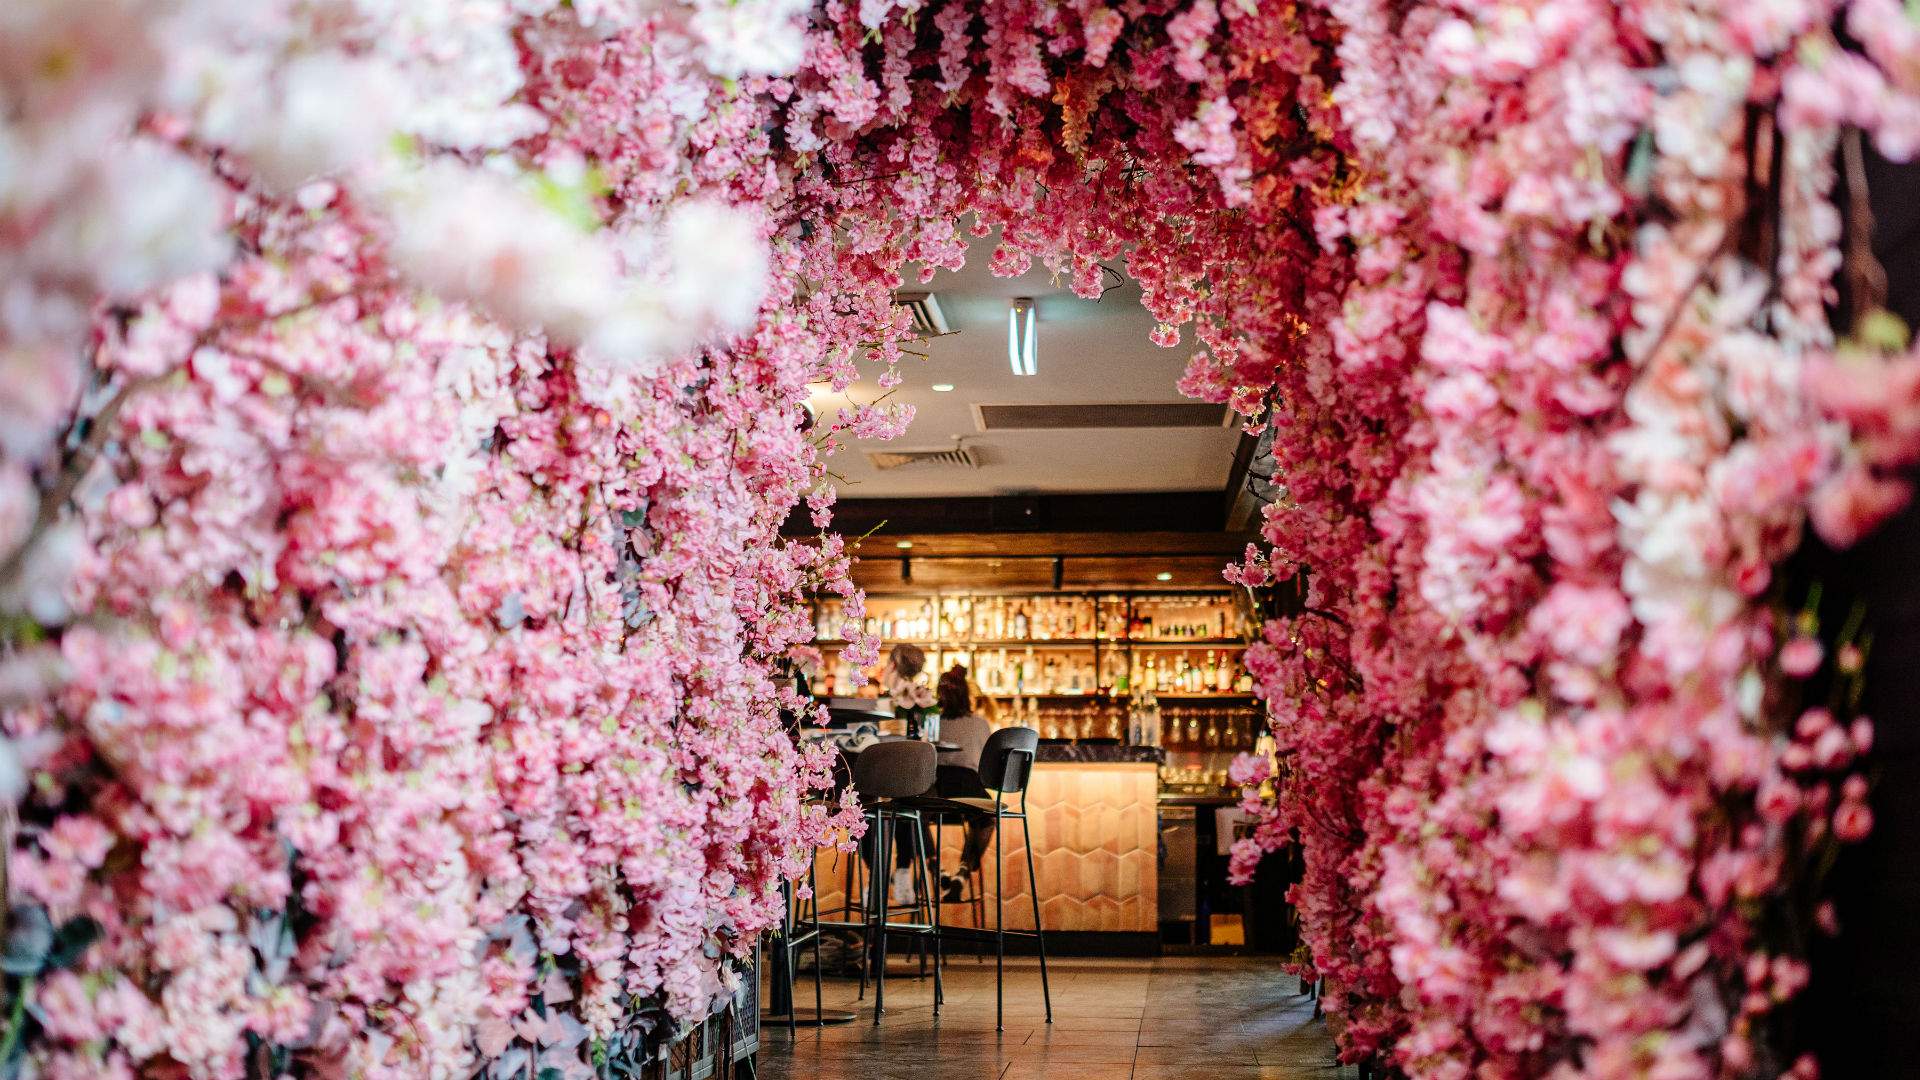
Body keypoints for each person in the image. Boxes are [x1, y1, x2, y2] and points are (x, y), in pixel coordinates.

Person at [928, 665, 996, 902]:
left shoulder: (932, 722)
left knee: (912, 817)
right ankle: (963, 872)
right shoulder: (980, 724)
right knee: (987, 820)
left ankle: (936, 868)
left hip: (936, 792)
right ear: (967, 694)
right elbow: (988, 767)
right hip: (969, 791)